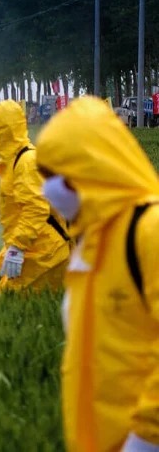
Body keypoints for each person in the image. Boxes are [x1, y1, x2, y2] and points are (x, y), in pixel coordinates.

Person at [35, 96, 159, 452]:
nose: (49, 189)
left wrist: (147, 438)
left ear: (91, 170)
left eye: (57, 176)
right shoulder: (92, 242)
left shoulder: (148, 231)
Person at [0, 100, 70, 294]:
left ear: (3, 131)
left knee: (8, 301)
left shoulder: (26, 162)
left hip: (45, 253)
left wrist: (17, 247)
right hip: (35, 247)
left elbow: (36, 209)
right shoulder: (14, 161)